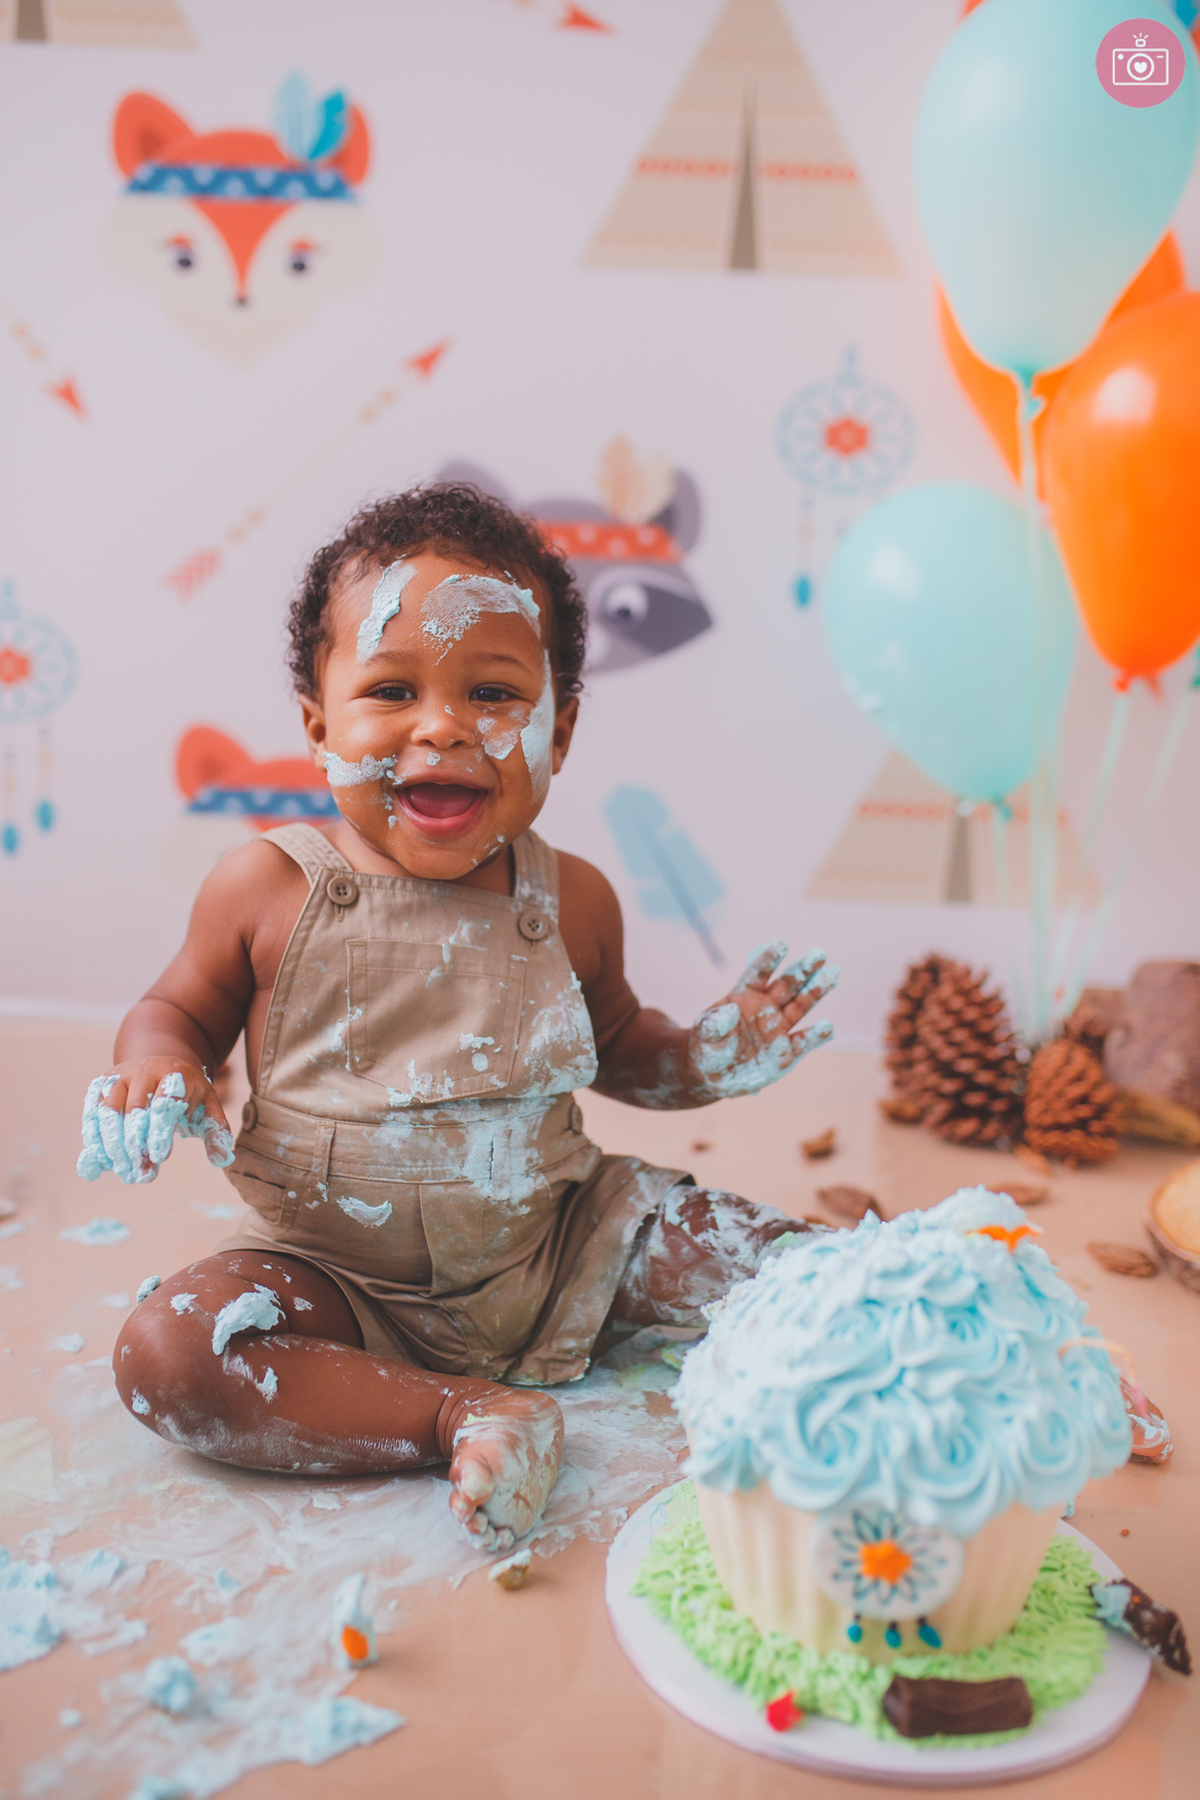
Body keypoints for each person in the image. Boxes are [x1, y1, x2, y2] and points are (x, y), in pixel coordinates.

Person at [79, 484, 838, 1551]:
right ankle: (459, 1413)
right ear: (320, 725)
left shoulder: (570, 900)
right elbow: (175, 1010)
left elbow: (624, 1052)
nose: (442, 726)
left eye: (492, 692)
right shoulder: (264, 888)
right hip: (335, 1279)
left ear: (558, 730)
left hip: (569, 1245)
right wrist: (160, 1067)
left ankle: (959, 1342)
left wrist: (712, 1055)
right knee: (171, 1355)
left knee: (808, 1274)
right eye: (391, 689)